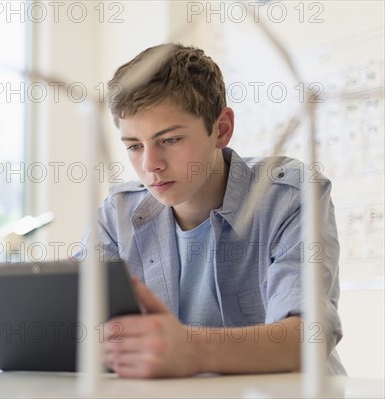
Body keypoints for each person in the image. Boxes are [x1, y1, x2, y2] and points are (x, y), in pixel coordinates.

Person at [86, 43, 346, 378]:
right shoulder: (117, 213)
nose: (151, 165)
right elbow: (78, 329)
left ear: (221, 129)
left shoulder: (291, 196)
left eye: (169, 140)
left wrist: (192, 348)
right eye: (135, 146)